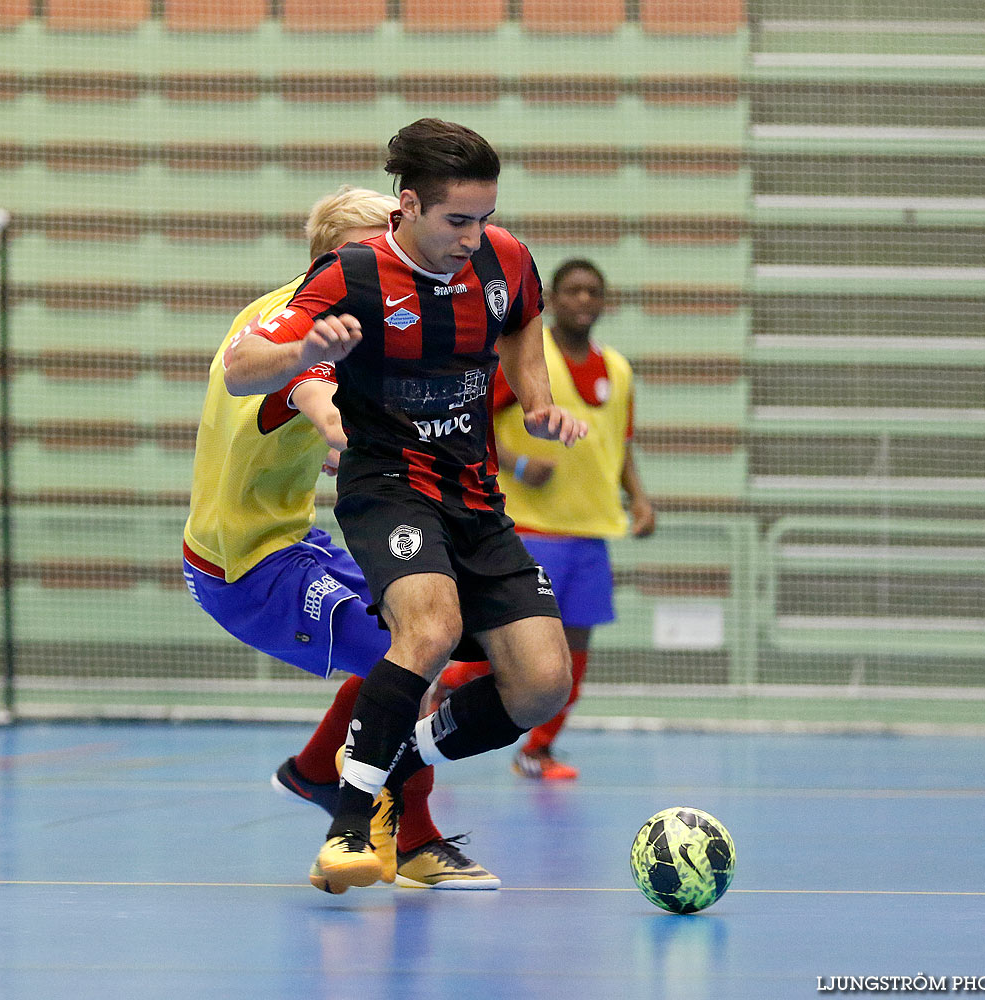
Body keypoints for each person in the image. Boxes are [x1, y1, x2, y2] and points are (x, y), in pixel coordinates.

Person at [224, 118, 590, 892]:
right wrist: (305, 353)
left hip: (475, 498)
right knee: (431, 628)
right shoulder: (354, 273)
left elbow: (524, 317)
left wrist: (536, 400)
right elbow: (242, 366)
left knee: (542, 684)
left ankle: (403, 753)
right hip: (388, 486)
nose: (474, 236)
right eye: (458, 220)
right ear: (409, 204)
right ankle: (349, 827)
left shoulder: (506, 257)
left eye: (484, 217)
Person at [181, 184, 500, 890]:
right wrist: (346, 433)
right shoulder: (305, 334)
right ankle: (408, 837)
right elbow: (310, 394)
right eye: (381, 248)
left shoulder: (282, 306)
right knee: (411, 658)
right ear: (338, 259)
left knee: (416, 633)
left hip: (288, 538)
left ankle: (316, 771)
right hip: (247, 569)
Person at [438, 258, 656, 781]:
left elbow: (619, 445)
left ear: (604, 301)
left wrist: (640, 499)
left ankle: (538, 751)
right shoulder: (530, 362)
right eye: (573, 291)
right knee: (516, 651)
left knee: (573, 660)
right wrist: (515, 462)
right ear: (553, 299)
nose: (584, 300)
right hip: (531, 531)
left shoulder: (620, 370)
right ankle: (444, 688)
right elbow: (468, 422)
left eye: (593, 291)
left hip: (591, 535)